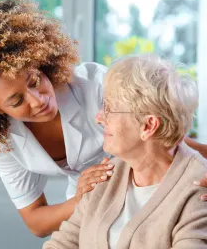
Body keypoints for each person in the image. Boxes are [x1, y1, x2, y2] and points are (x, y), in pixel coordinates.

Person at [0, 0, 207, 238]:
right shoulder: (3, 142)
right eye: (16, 101)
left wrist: (198, 167)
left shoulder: (94, 86)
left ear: (39, 61)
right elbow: (36, 222)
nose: (38, 100)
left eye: (35, 80)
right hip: (92, 205)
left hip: (150, 187)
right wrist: (80, 199)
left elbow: (167, 136)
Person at [43, 54, 207, 249]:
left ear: (148, 126)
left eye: (109, 109)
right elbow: (64, 242)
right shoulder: (106, 174)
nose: (99, 117)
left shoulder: (198, 187)